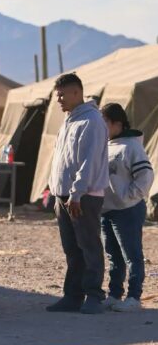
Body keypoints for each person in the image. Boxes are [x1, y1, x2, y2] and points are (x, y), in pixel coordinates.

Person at [46, 73, 110, 315]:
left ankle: (94, 295)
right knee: (72, 249)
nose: (59, 100)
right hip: (64, 195)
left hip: (83, 197)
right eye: (57, 95)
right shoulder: (69, 121)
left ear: (76, 92)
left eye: (62, 95)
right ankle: (73, 296)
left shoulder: (92, 121)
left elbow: (89, 161)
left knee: (89, 246)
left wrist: (77, 193)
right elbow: (62, 159)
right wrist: (54, 188)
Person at [100, 103, 154, 312]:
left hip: (127, 210)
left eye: (105, 122)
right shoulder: (105, 145)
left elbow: (146, 176)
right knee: (113, 255)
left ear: (118, 123)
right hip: (107, 209)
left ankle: (134, 297)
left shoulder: (131, 147)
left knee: (131, 254)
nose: (101, 127)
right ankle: (114, 294)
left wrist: (127, 197)